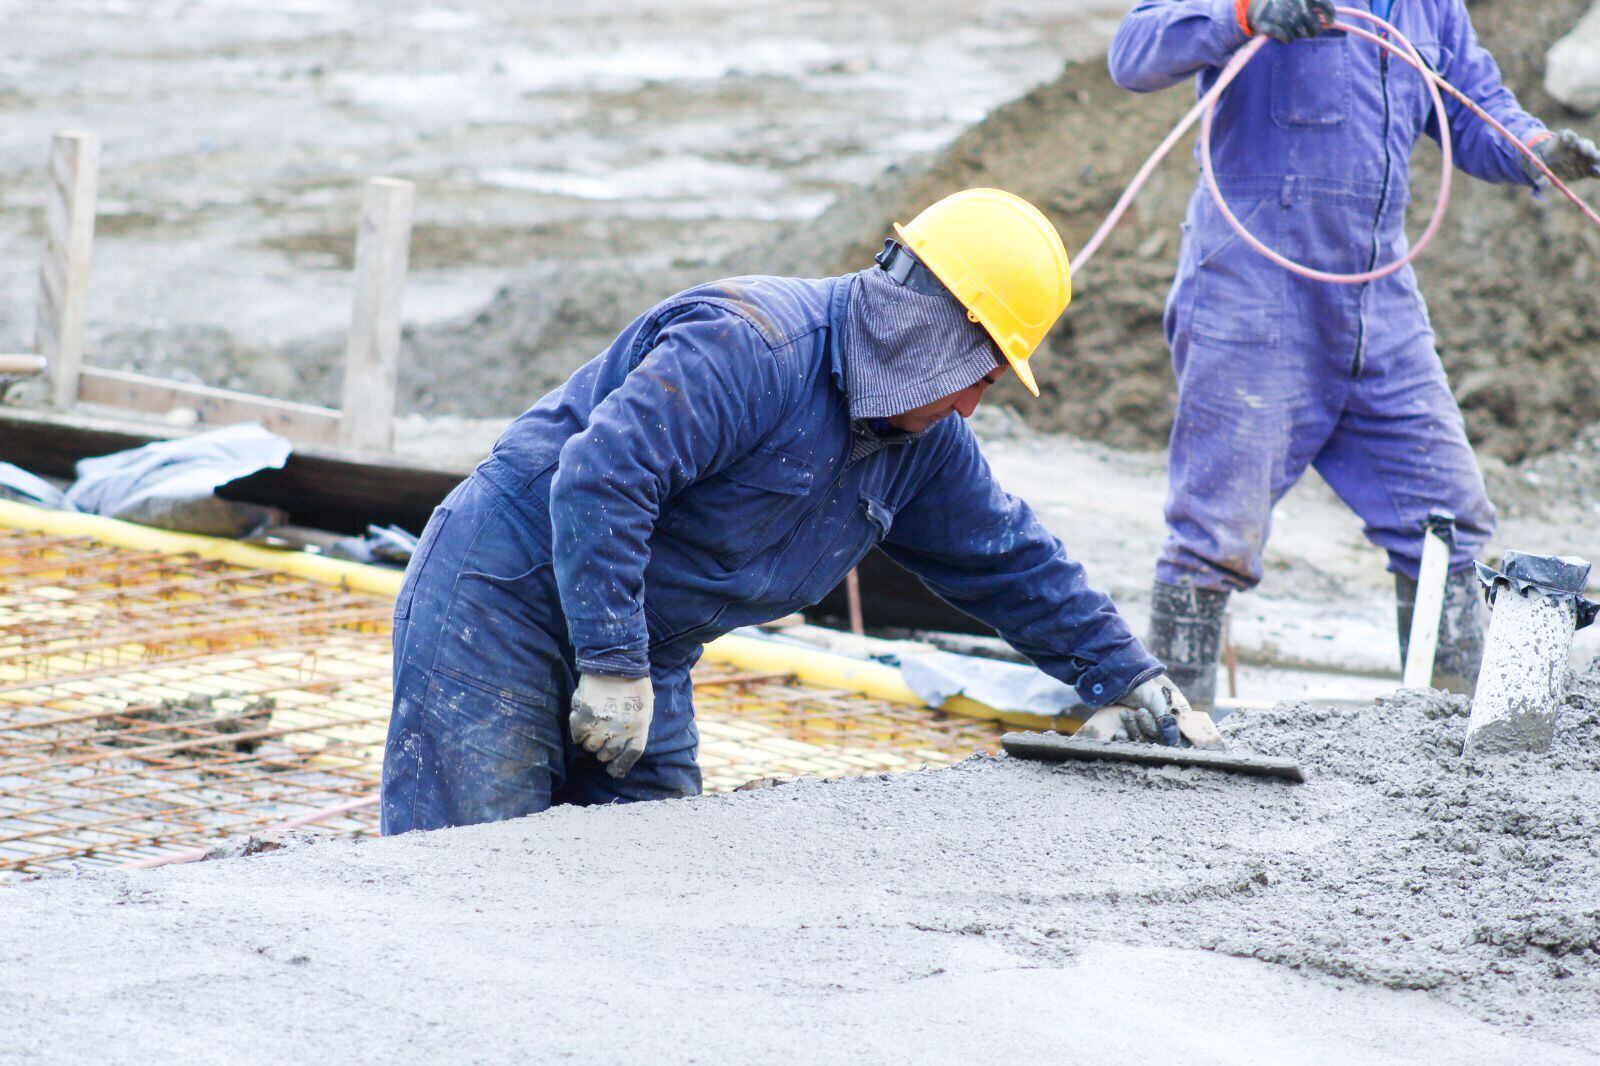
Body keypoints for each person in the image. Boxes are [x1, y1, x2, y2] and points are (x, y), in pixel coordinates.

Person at [381, 189, 1219, 834]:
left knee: (640, 874)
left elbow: (1009, 557)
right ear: (938, 337)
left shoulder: (919, 441)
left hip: (644, 648)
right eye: (983, 375)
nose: (971, 406)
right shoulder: (747, 348)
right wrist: (609, 660)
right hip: (501, 607)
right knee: (466, 873)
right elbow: (601, 478)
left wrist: (1126, 675)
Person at [1108, 0, 1600, 705]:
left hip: (1380, 300)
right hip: (1252, 284)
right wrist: (1245, 16)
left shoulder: (1428, 7)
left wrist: (1537, 151)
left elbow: (1473, 108)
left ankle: (1439, 741)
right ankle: (1173, 734)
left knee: (1446, 521)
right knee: (1214, 531)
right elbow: (1134, 51)